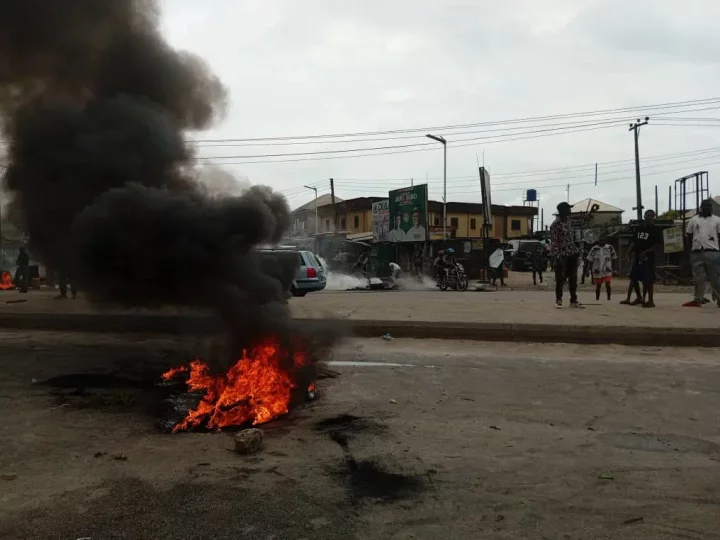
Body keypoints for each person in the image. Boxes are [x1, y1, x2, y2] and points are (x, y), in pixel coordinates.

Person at [682, 199, 720, 307]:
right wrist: (688, 253)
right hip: (697, 252)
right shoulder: (693, 220)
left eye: (710, 206)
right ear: (701, 207)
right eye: (706, 206)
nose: (708, 208)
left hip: (713, 252)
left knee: (715, 278)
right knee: (699, 278)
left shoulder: (717, 220)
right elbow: (688, 237)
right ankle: (698, 299)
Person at [625, 209, 661, 308]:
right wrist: (628, 253)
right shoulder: (639, 228)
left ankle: (650, 300)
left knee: (648, 280)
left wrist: (645, 252)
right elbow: (634, 242)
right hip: (638, 256)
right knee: (634, 277)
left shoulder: (655, 230)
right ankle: (639, 297)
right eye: (648, 215)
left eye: (652, 216)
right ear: (644, 216)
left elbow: (657, 246)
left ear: (654, 217)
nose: (650, 217)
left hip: (648, 258)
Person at [550, 202, 583, 308]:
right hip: (562, 254)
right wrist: (557, 256)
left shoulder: (569, 221)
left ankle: (573, 300)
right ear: (562, 210)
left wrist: (588, 216)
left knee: (573, 278)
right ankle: (558, 300)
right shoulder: (555, 225)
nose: (570, 210)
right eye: (568, 209)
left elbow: (579, 222)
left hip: (572, 252)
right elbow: (554, 242)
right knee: (560, 278)